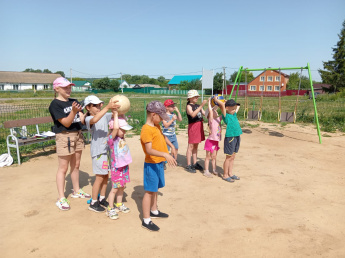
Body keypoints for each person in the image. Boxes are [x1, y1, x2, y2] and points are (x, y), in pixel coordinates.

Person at [49, 77, 90, 211]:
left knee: (76, 164)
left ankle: (76, 190)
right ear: (57, 89)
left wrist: (88, 111)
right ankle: (61, 197)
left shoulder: (74, 101)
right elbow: (66, 123)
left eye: (70, 87)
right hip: (64, 136)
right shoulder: (55, 105)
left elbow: (82, 119)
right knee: (63, 168)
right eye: (65, 87)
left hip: (78, 135)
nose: (69, 89)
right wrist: (73, 111)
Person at [140, 101, 177, 232]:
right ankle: (146, 220)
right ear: (153, 115)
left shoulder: (156, 126)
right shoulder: (146, 129)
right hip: (151, 164)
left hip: (158, 162)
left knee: (155, 188)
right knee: (149, 191)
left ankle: (154, 210)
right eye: (160, 117)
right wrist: (165, 154)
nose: (162, 120)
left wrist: (171, 146)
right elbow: (149, 150)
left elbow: (162, 137)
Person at [83, 95, 120, 213]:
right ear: (88, 107)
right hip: (98, 152)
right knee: (99, 177)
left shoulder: (104, 115)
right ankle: (94, 202)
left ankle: (102, 197)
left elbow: (116, 115)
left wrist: (116, 109)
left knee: (105, 175)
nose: (99, 107)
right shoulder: (89, 119)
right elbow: (94, 120)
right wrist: (108, 107)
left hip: (106, 151)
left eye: (100, 104)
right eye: (95, 105)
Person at [106, 111, 133, 220]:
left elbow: (121, 126)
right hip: (116, 168)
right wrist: (116, 115)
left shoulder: (121, 138)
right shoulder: (111, 139)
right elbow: (116, 129)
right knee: (114, 188)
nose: (125, 132)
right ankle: (110, 208)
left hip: (124, 167)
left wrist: (122, 114)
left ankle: (119, 204)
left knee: (122, 187)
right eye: (123, 130)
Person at [214, 98, 242, 182]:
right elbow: (222, 106)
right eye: (232, 109)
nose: (234, 110)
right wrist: (217, 100)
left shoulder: (234, 114)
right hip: (230, 137)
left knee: (233, 156)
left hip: (237, 136)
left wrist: (229, 103)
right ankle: (225, 175)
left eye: (234, 109)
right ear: (226, 108)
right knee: (228, 157)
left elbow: (238, 106)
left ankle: (230, 173)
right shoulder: (225, 115)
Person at [185, 90, 208, 173]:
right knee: (191, 146)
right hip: (193, 126)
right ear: (190, 98)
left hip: (199, 125)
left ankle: (194, 163)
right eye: (195, 96)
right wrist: (201, 106)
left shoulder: (198, 106)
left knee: (196, 145)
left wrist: (211, 106)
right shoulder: (189, 106)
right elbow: (193, 114)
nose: (197, 98)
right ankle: (188, 164)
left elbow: (205, 114)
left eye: (197, 96)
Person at [203, 97, 222, 178]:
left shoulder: (218, 119)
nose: (215, 111)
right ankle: (206, 171)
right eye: (214, 111)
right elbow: (210, 111)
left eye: (216, 111)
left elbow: (224, 112)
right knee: (208, 157)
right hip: (210, 141)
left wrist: (222, 104)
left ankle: (214, 169)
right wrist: (209, 103)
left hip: (216, 141)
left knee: (214, 156)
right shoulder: (211, 120)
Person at [162, 99, 182, 168]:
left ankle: (174, 160)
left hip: (173, 135)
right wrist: (172, 120)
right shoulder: (164, 115)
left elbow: (180, 119)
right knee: (166, 150)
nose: (173, 107)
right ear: (166, 107)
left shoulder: (173, 114)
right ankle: (164, 162)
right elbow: (165, 125)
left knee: (176, 148)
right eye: (172, 106)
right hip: (166, 136)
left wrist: (178, 112)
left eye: (174, 105)